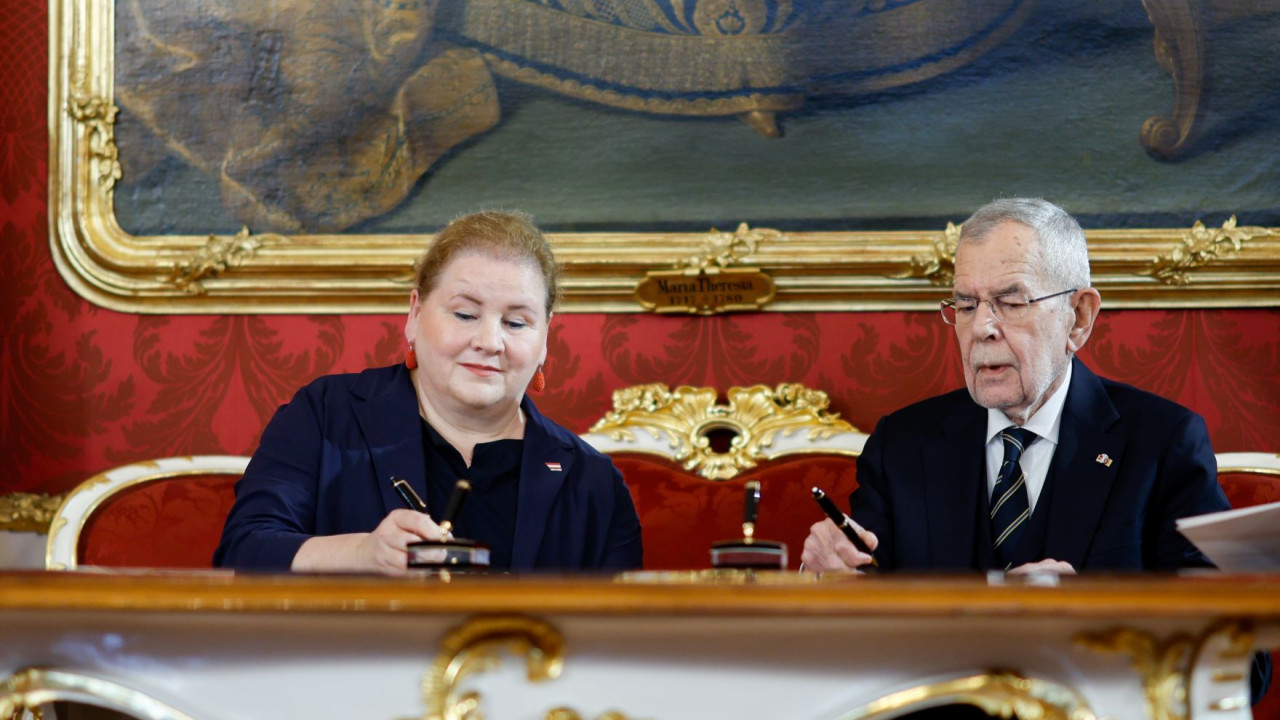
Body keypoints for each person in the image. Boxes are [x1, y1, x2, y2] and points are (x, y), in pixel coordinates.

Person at [800, 197, 1269, 708]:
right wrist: (826, 581)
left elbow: (1244, 666)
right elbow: (856, 612)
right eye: (965, 304)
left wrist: (1095, 619)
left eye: (1011, 301)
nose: (982, 327)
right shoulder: (905, 445)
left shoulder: (1161, 443)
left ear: (1078, 318)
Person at [215, 210, 643, 573]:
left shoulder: (592, 482)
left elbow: (622, 641)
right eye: (464, 313)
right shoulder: (325, 416)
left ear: (545, 339)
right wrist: (363, 553)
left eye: (516, 323)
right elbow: (241, 553)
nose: (490, 341)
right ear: (415, 314)